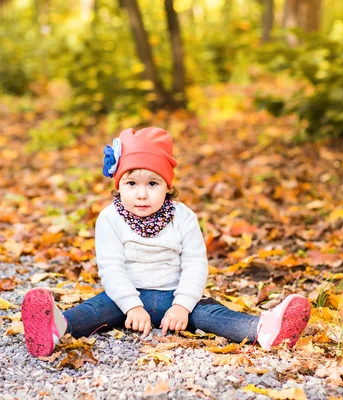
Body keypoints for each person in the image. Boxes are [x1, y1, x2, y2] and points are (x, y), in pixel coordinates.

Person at [21, 127, 311, 357]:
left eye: (153, 183)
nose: (142, 194)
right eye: (131, 184)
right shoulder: (109, 219)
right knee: (94, 310)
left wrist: (183, 306)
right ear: (118, 185)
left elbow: (196, 263)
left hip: (176, 296)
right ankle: (56, 327)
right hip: (124, 298)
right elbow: (111, 269)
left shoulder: (183, 217)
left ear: (168, 186)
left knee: (213, 315)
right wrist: (131, 306)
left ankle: (263, 328)